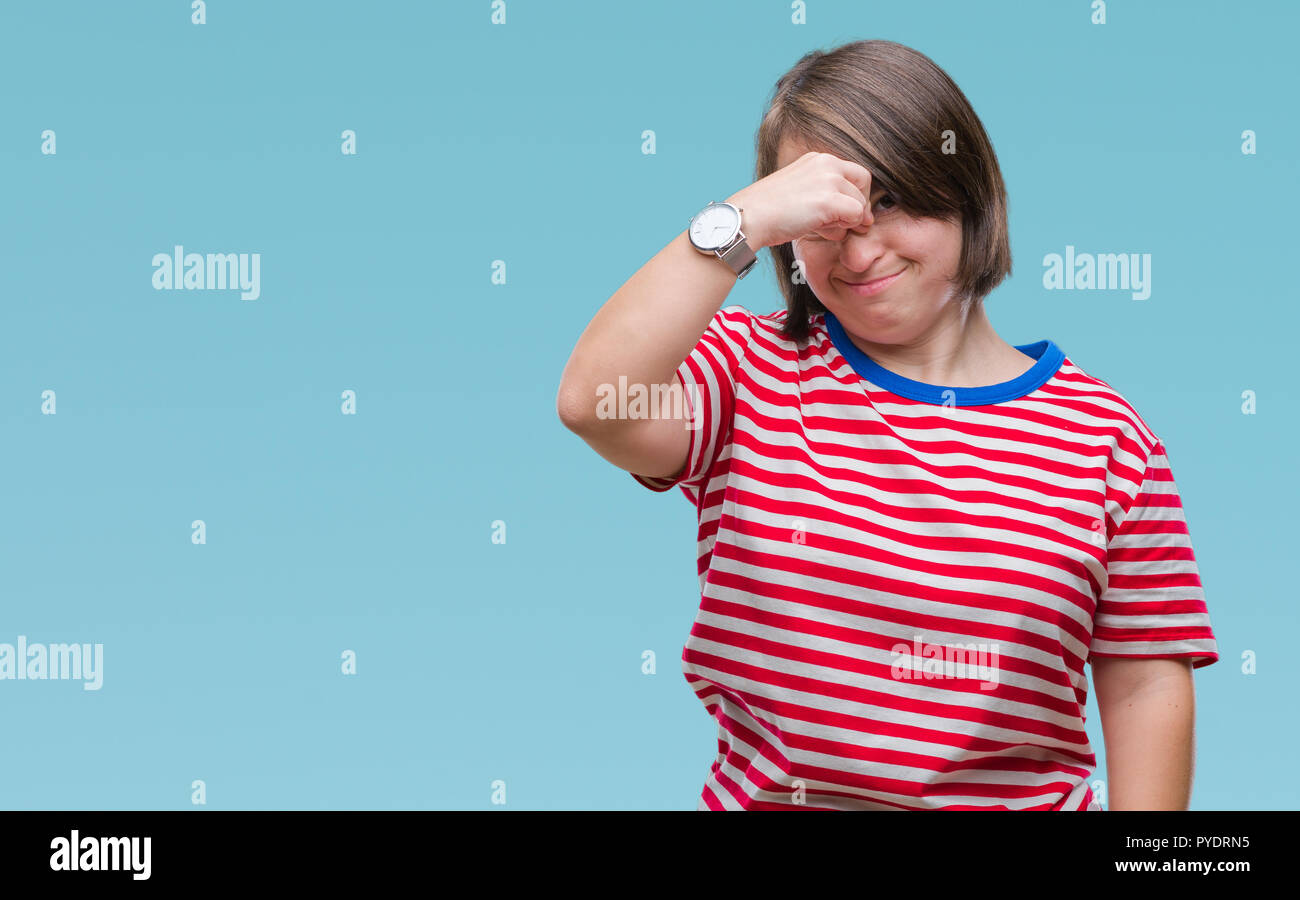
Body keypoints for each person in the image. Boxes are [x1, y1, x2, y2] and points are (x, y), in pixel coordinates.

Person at [556, 39, 1217, 810]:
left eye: (892, 202)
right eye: (822, 221)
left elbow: (1143, 686)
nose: (860, 251)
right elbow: (593, 402)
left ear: (966, 189)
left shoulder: (1109, 440)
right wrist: (745, 214)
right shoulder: (746, 374)